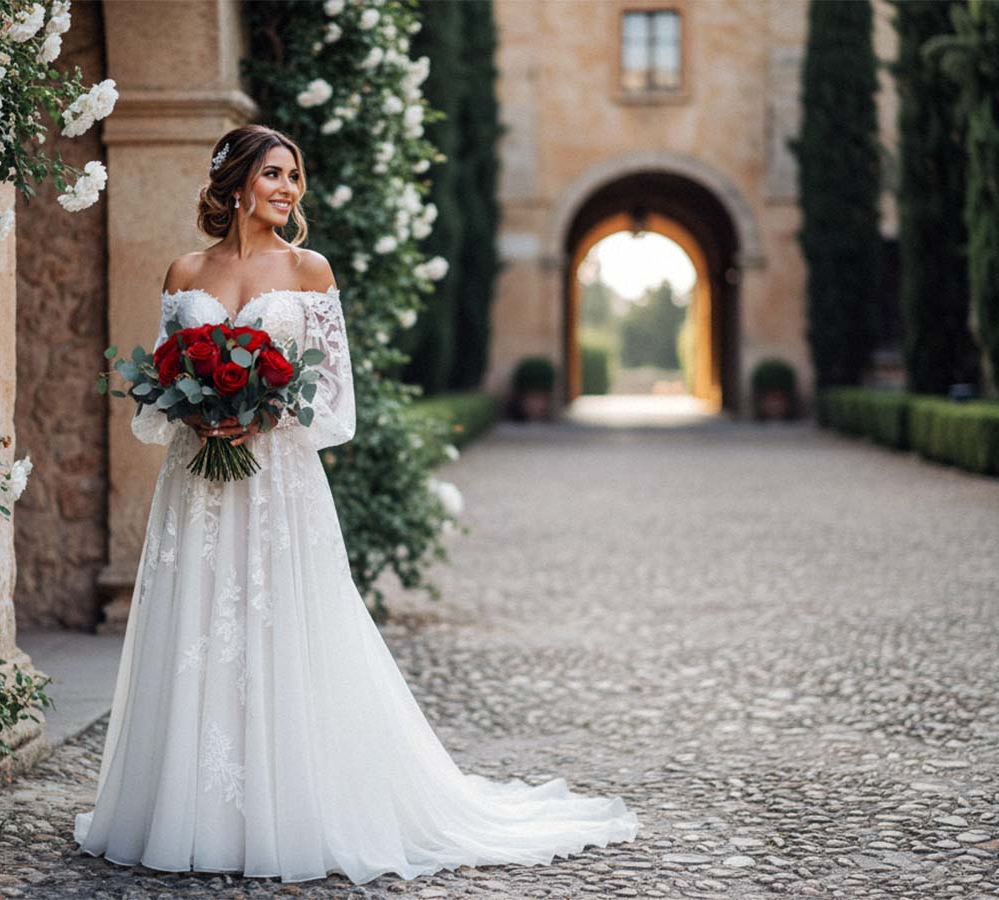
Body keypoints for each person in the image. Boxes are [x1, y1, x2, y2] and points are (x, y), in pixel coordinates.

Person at [73, 124, 639, 884]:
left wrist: (260, 413)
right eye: (274, 174)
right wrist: (194, 411)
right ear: (236, 181)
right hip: (199, 482)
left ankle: (293, 805)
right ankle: (192, 808)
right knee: (201, 625)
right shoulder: (184, 271)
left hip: (275, 480)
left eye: (294, 178)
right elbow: (153, 394)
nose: (288, 189)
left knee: (280, 628)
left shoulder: (310, 272)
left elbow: (334, 401)